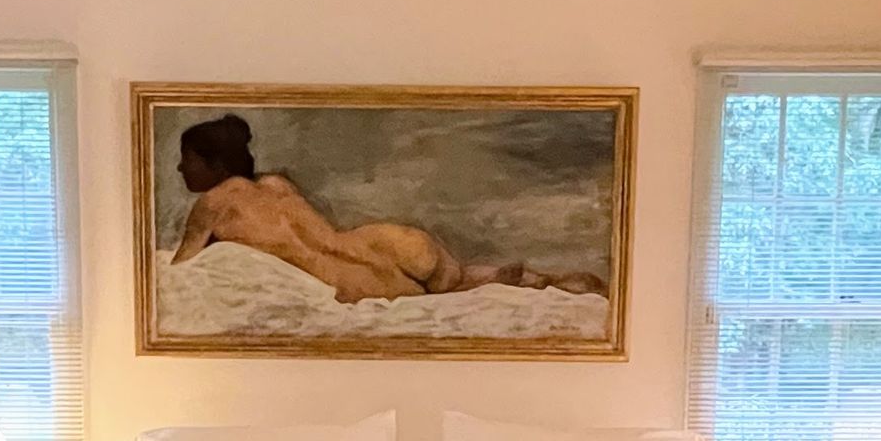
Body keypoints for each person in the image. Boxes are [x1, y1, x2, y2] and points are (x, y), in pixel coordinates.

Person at [166, 113, 605, 304]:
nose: (181, 167)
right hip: (388, 243)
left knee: (431, 294)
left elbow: (181, 268)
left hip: (357, 282)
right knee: (453, 279)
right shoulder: (277, 185)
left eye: (188, 159)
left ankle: (507, 282)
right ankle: (532, 280)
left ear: (214, 164)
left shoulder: (215, 203)